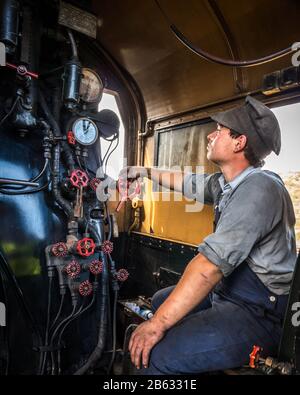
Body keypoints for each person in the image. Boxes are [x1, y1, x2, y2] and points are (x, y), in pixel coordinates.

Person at [119, 96, 297, 375]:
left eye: (220, 131)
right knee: (158, 302)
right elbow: (185, 182)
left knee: (157, 356)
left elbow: (208, 269)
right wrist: (141, 171)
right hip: (230, 293)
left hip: (260, 311)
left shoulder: (259, 189)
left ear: (240, 143)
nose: (210, 136)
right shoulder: (227, 184)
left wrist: (156, 326)